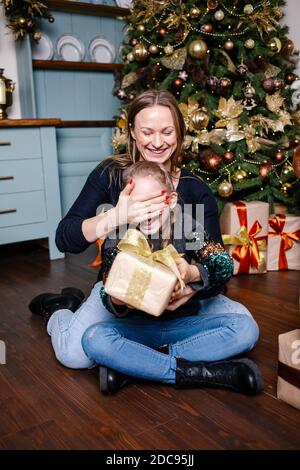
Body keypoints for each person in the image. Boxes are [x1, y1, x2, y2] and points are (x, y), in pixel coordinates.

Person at [29, 89, 263, 395]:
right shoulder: (110, 177)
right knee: (74, 353)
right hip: (125, 306)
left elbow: (217, 267)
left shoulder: (193, 195)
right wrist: (115, 216)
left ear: (179, 135)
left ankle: (133, 363)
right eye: (147, 132)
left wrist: (190, 283)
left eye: (166, 132)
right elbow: (65, 239)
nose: (156, 142)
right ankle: (61, 310)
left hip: (183, 305)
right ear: (132, 133)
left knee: (245, 325)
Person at [81, 161, 263, 395]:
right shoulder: (120, 235)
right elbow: (108, 292)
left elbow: (223, 264)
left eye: (154, 202)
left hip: (182, 324)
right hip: (138, 328)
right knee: (94, 339)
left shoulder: (186, 226)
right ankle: (206, 374)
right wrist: (118, 299)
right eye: (138, 205)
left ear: (171, 200)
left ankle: (138, 366)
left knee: (246, 328)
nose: (146, 213)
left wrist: (192, 273)